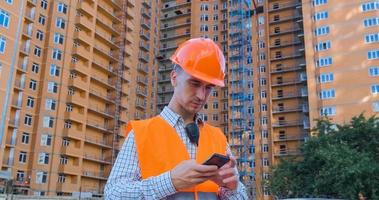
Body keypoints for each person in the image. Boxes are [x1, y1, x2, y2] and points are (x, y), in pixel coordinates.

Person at [104, 38, 248, 199]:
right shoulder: (141, 134)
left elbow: (240, 195)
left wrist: (231, 189)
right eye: (194, 83)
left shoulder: (218, 138)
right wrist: (170, 182)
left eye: (208, 88)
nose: (201, 96)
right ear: (174, 78)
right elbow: (113, 194)